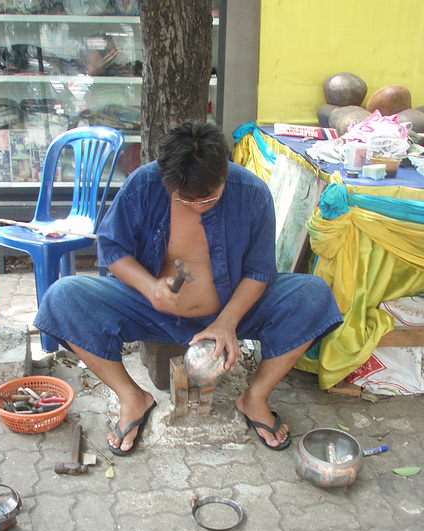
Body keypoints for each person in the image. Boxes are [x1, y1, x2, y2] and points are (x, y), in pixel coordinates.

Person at [34, 121, 342, 456]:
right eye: (185, 199)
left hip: (233, 312)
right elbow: (112, 249)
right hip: (151, 310)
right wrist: (150, 287)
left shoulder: (252, 193)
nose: (197, 206)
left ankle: (254, 397)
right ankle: (132, 398)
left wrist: (227, 322)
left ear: (224, 173)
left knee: (313, 295)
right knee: (63, 298)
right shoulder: (144, 185)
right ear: (167, 182)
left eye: (208, 198)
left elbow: (259, 271)